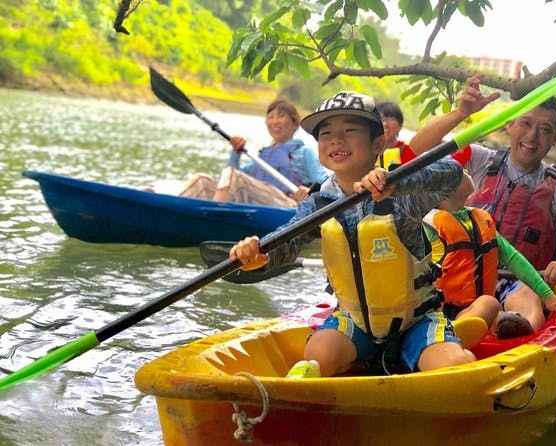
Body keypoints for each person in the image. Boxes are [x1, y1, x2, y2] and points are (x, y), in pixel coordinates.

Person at [229, 90, 478, 378]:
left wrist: (398, 181)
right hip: (355, 321)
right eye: (326, 134)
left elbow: (454, 176)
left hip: (416, 320)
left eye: (349, 130)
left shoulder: (402, 189)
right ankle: (362, 362)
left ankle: (451, 353)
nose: (336, 139)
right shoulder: (319, 202)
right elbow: (287, 242)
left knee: (453, 369)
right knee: (317, 355)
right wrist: (258, 251)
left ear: (378, 143)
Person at [410, 73, 556, 337]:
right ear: (510, 125)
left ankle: (513, 327)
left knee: (526, 295)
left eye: (545, 129)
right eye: (525, 123)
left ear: (555, 138)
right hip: (461, 279)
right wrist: (461, 113)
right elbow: (415, 150)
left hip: (521, 281)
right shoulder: (478, 160)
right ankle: (461, 329)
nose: (532, 136)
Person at [422, 171, 556, 336]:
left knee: (490, 305)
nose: (466, 171)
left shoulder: (479, 220)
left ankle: (516, 332)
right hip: (442, 310)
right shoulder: (429, 227)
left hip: (477, 308)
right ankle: (451, 334)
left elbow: (513, 259)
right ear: (444, 190)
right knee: (490, 304)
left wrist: (548, 296)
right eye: (460, 172)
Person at [178, 98, 329, 208]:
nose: (275, 121)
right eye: (270, 117)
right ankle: (171, 209)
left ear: (295, 123)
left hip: (288, 205)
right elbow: (230, 178)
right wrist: (235, 153)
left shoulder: (304, 152)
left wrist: (309, 191)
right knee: (201, 180)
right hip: (258, 202)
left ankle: (212, 220)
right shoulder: (262, 157)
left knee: (233, 175)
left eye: (281, 116)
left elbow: (326, 183)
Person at [375, 101, 417, 169]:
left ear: (400, 125)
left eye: (390, 119)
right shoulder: (368, 152)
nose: (385, 124)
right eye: (381, 120)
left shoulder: (407, 150)